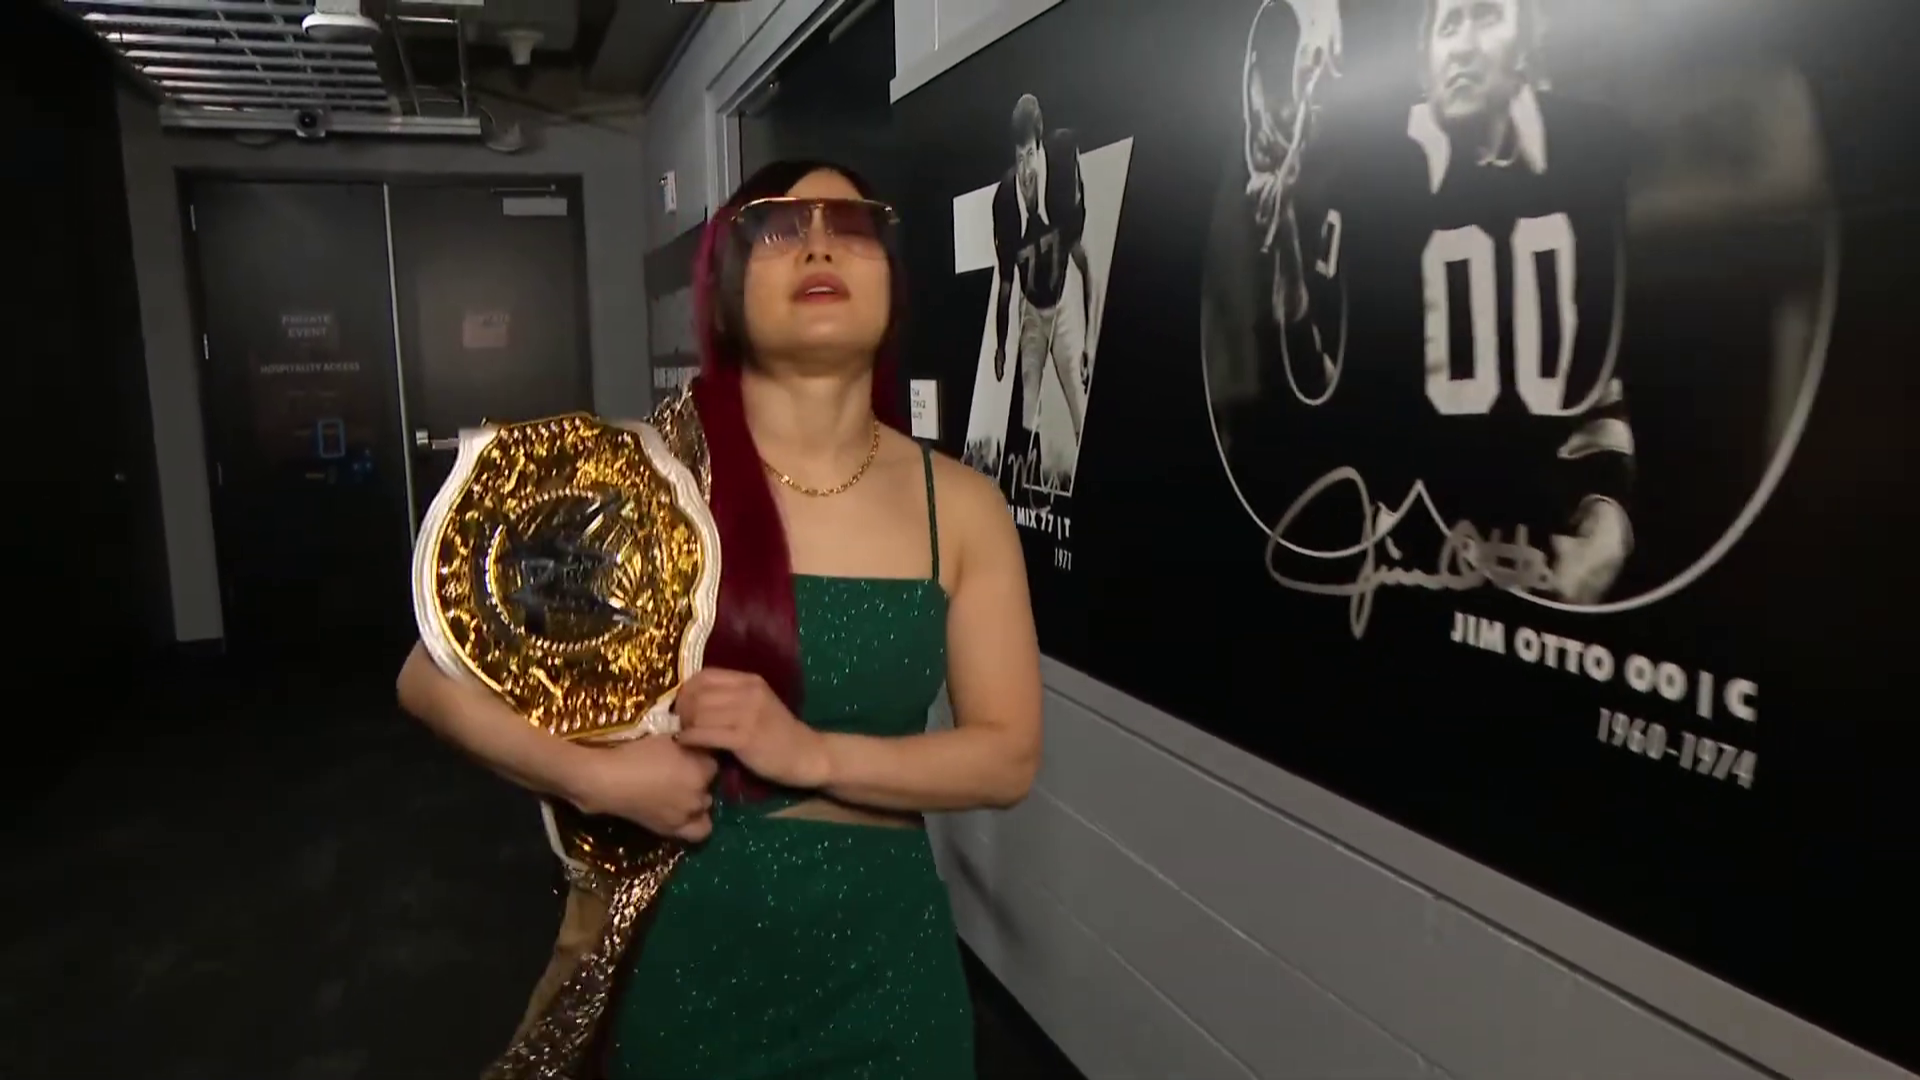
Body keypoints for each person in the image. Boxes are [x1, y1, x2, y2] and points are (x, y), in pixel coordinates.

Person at [396, 160, 1044, 1078]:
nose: (818, 243)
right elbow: (427, 678)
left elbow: (1005, 756)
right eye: (778, 227)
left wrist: (812, 755)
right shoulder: (640, 480)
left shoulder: (964, 507)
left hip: (885, 976)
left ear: (892, 285)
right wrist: (596, 780)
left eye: (849, 225)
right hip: (686, 963)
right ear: (726, 288)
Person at [1235, 0, 1635, 606]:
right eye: (1448, 25)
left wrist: (1609, 514)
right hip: (1404, 573)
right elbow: (1324, 397)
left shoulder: (1583, 166)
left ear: (1527, 41)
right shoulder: (1373, 190)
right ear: (1423, 59)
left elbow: (1600, 390)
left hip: (1537, 587)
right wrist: (1286, 260)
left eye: (1486, 17)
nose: (1464, 45)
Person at [993, 93, 1094, 497]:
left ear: (1041, 149)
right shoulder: (1004, 201)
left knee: (1079, 405)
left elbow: (1087, 265)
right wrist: (1001, 345)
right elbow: (1006, 285)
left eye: (1031, 155)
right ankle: (1028, 498)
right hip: (1032, 311)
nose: (1026, 169)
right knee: (1026, 410)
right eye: (1018, 158)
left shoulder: (1064, 167)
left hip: (1063, 299)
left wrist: (1089, 339)